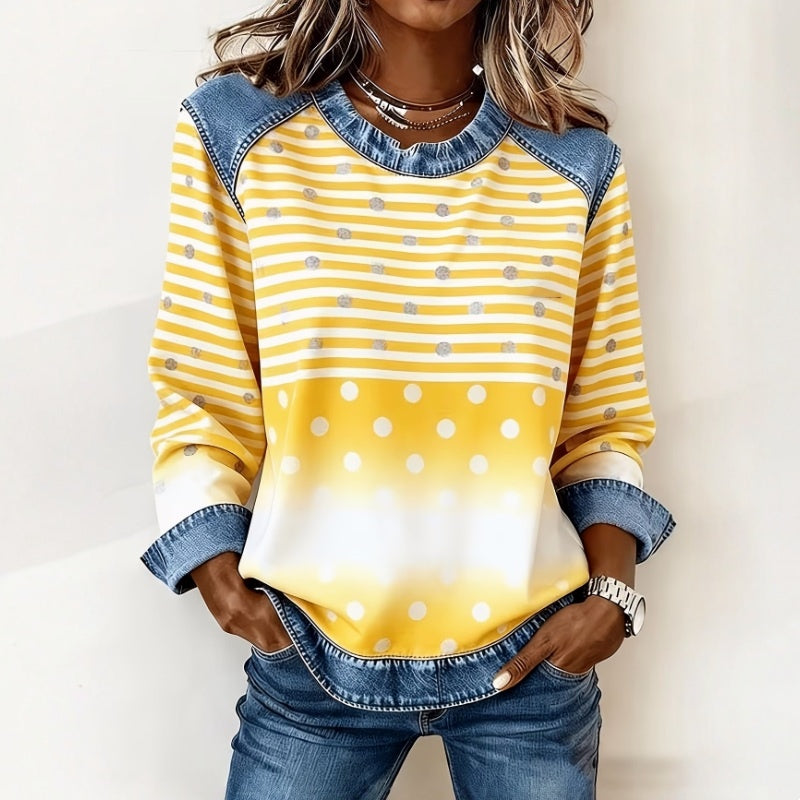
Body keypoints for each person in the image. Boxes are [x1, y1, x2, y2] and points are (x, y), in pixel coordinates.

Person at [140, 1, 677, 797]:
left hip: (533, 668)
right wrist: (220, 578)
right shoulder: (238, 133)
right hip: (310, 662)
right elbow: (202, 390)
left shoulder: (575, 165)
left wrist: (610, 599)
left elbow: (602, 421)